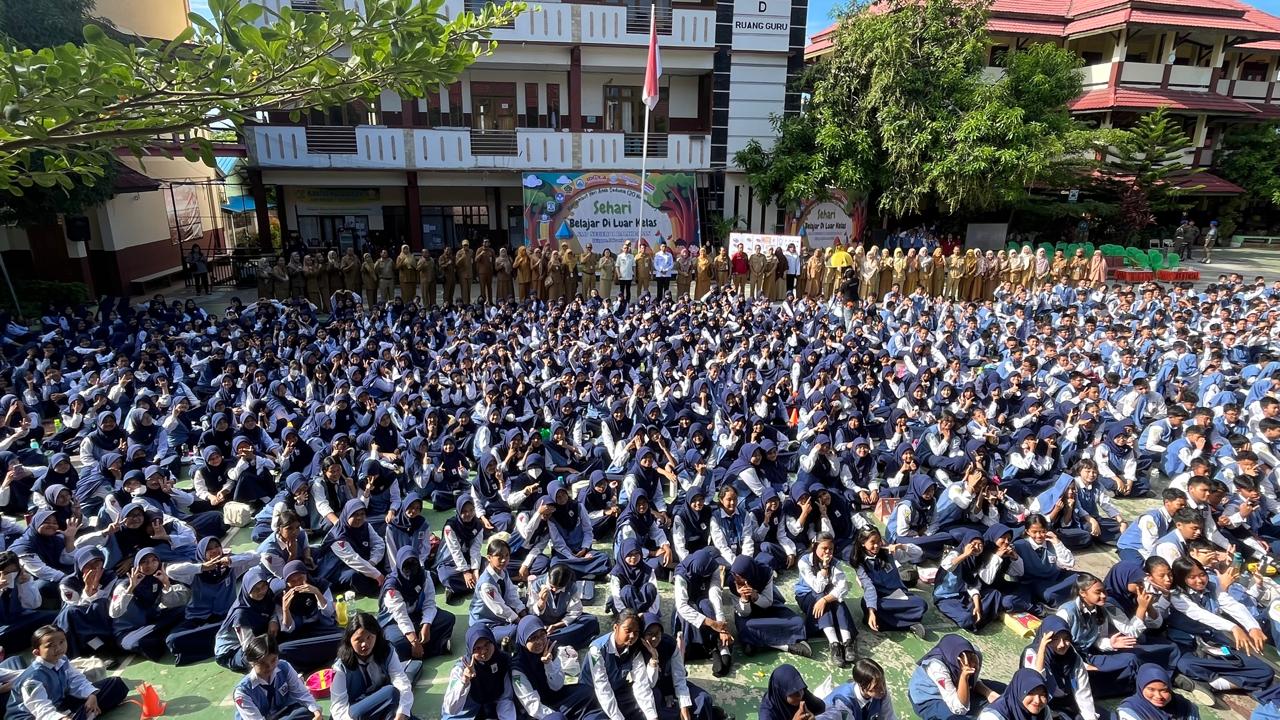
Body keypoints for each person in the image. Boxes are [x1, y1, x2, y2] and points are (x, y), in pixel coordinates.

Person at [5, 625, 129, 720]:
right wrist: (62, 718)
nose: (59, 648)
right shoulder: (32, 679)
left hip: (59, 704)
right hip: (32, 716)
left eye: (62, 642)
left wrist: (91, 695)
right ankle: (84, 714)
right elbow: (40, 708)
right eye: (50, 646)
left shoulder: (61, 660)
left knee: (115, 684)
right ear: (37, 652)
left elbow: (76, 679)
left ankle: (84, 713)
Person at [511, 615, 605, 720]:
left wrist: (548, 664)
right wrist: (559, 716)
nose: (539, 642)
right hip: (537, 713)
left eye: (542, 635)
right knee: (558, 718)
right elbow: (533, 707)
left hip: (554, 698)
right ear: (523, 640)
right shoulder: (518, 669)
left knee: (588, 692)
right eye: (533, 638)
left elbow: (557, 686)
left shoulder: (550, 649)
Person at [330, 613, 421, 720]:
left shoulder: (387, 651)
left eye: (369, 637)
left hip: (383, 706)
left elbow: (402, 683)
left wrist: (401, 714)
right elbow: (338, 708)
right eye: (358, 640)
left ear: (377, 636)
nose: (365, 644)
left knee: (399, 712)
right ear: (349, 640)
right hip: (354, 714)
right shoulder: (340, 667)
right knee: (391, 692)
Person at [794, 532, 857, 666]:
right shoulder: (804, 561)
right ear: (815, 546)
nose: (828, 552)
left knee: (838, 601)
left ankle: (847, 642)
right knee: (820, 595)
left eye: (831, 549)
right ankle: (834, 643)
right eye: (824, 548)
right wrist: (824, 568)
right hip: (806, 595)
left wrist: (826, 600)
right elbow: (817, 587)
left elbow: (843, 587)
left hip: (826, 596)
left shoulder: (836, 563)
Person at [584, 610, 660, 720]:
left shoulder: (634, 651)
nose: (632, 636)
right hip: (592, 696)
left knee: (653, 699)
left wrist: (652, 717)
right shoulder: (596, 650)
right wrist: (617, 717)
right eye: (628, 630)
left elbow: (641, 684)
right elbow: (602, 689)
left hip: (617, 692)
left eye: (636, 632)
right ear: (616, 628)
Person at [907, 636, 1003, 720]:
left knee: (1004, 690)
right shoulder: (936, 668)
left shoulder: (975, 654)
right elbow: (959, 709)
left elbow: (973, 682)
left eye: (975, 667)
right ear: (958, 663)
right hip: (930, 698)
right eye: (970, 668)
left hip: (956, 686)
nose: (973, 668)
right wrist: (964, 677)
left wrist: (989, 693)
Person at [231, 633, 322, 720]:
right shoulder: (242, 692)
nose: (270, 667)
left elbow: (301, 693)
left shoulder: (284, 668)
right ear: (251, 663)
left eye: (274, 660)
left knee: (307, 711)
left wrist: (316, 711)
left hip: (281, 714)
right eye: (262, 663)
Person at [442, 625, 517, 720]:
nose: (484, 651)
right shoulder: (461, 668)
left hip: (489, 709)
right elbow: (451, 709)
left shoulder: (501, 660)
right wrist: (464, 681)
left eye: (487, 644)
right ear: (470, 649)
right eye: (477, 648)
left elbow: (505, 698)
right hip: (464, 714)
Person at [976, 669, 1048, 720]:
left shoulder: (1043, 710)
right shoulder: (992, 717)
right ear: (1018, 692)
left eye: (1043, 695)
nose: (1037, 701)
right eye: (1030, 693)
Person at [759, 664, 825, 720]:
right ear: (783, 693)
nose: (800, 695)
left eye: (801, 688)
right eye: (795, 693)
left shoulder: (802, 693)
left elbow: (821, 707)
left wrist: (812, 716)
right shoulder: (767, 713)